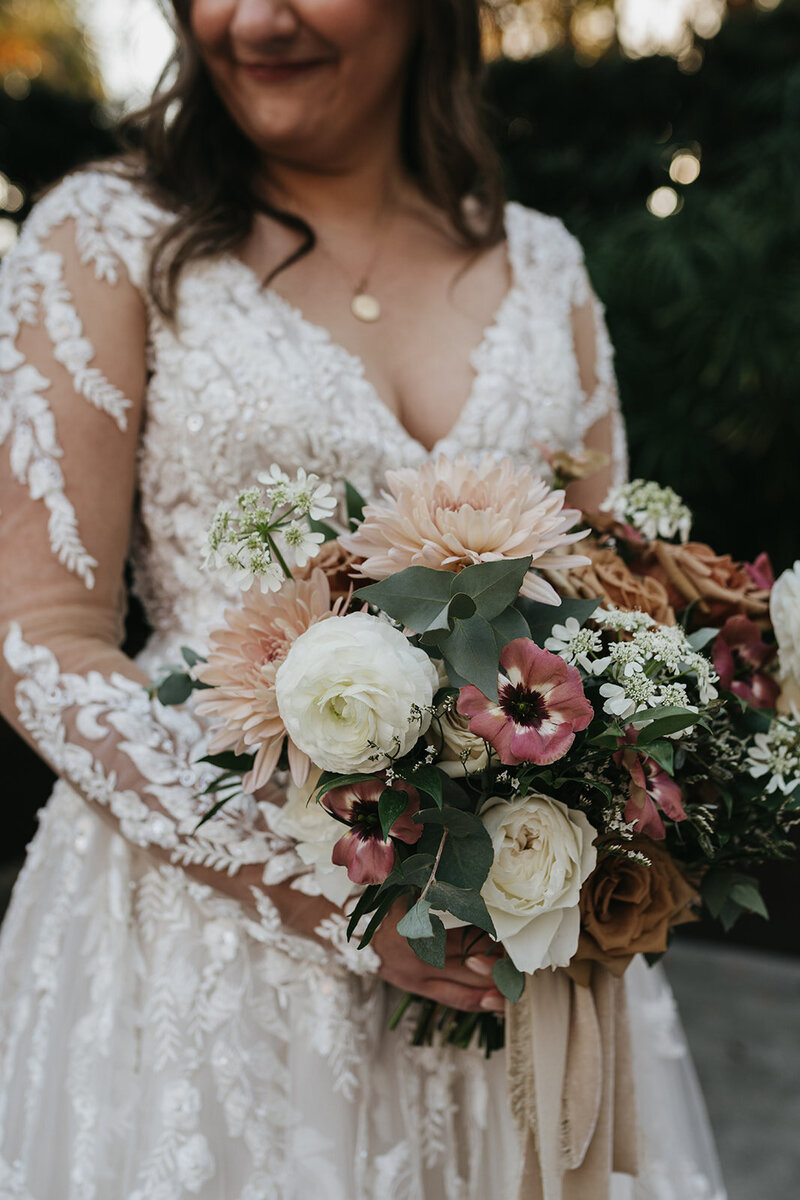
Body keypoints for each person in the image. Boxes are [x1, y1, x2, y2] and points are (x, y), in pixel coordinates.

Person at [0, 2, 727, 1197]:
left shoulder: (542, 265)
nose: (256, 18)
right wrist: (325, 887)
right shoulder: (104, 239)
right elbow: (41, 632)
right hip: (209, 960)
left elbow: (617, 608)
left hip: (516, 971)